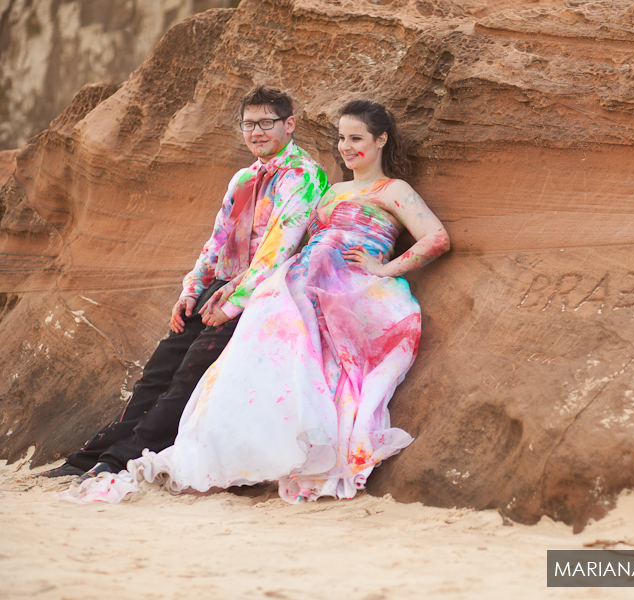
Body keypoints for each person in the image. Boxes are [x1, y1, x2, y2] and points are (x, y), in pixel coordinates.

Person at [62, 99, 450, 504]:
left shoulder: (394, 190)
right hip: (296, 286)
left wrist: (385, 268)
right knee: (250, 370)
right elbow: (289, 240)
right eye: (341, 138)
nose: (347, 147)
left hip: (347, 289)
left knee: (310, 374)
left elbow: (436, 237)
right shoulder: (331, 191)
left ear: (381, 140)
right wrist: (225, 284)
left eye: (357, 138)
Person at [40, 85, 329, 481]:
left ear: (289, 124)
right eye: (249, 124)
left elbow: (279, 248)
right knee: (157, 372)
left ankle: (121, 460)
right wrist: (192, 290)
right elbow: (217, 239)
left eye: (267, 123)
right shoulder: (245, 177)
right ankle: (88, 457)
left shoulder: (306, 176)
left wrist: (232, 302)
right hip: (220, 288)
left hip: (261, 295)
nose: (257, 132)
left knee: (187, 377)